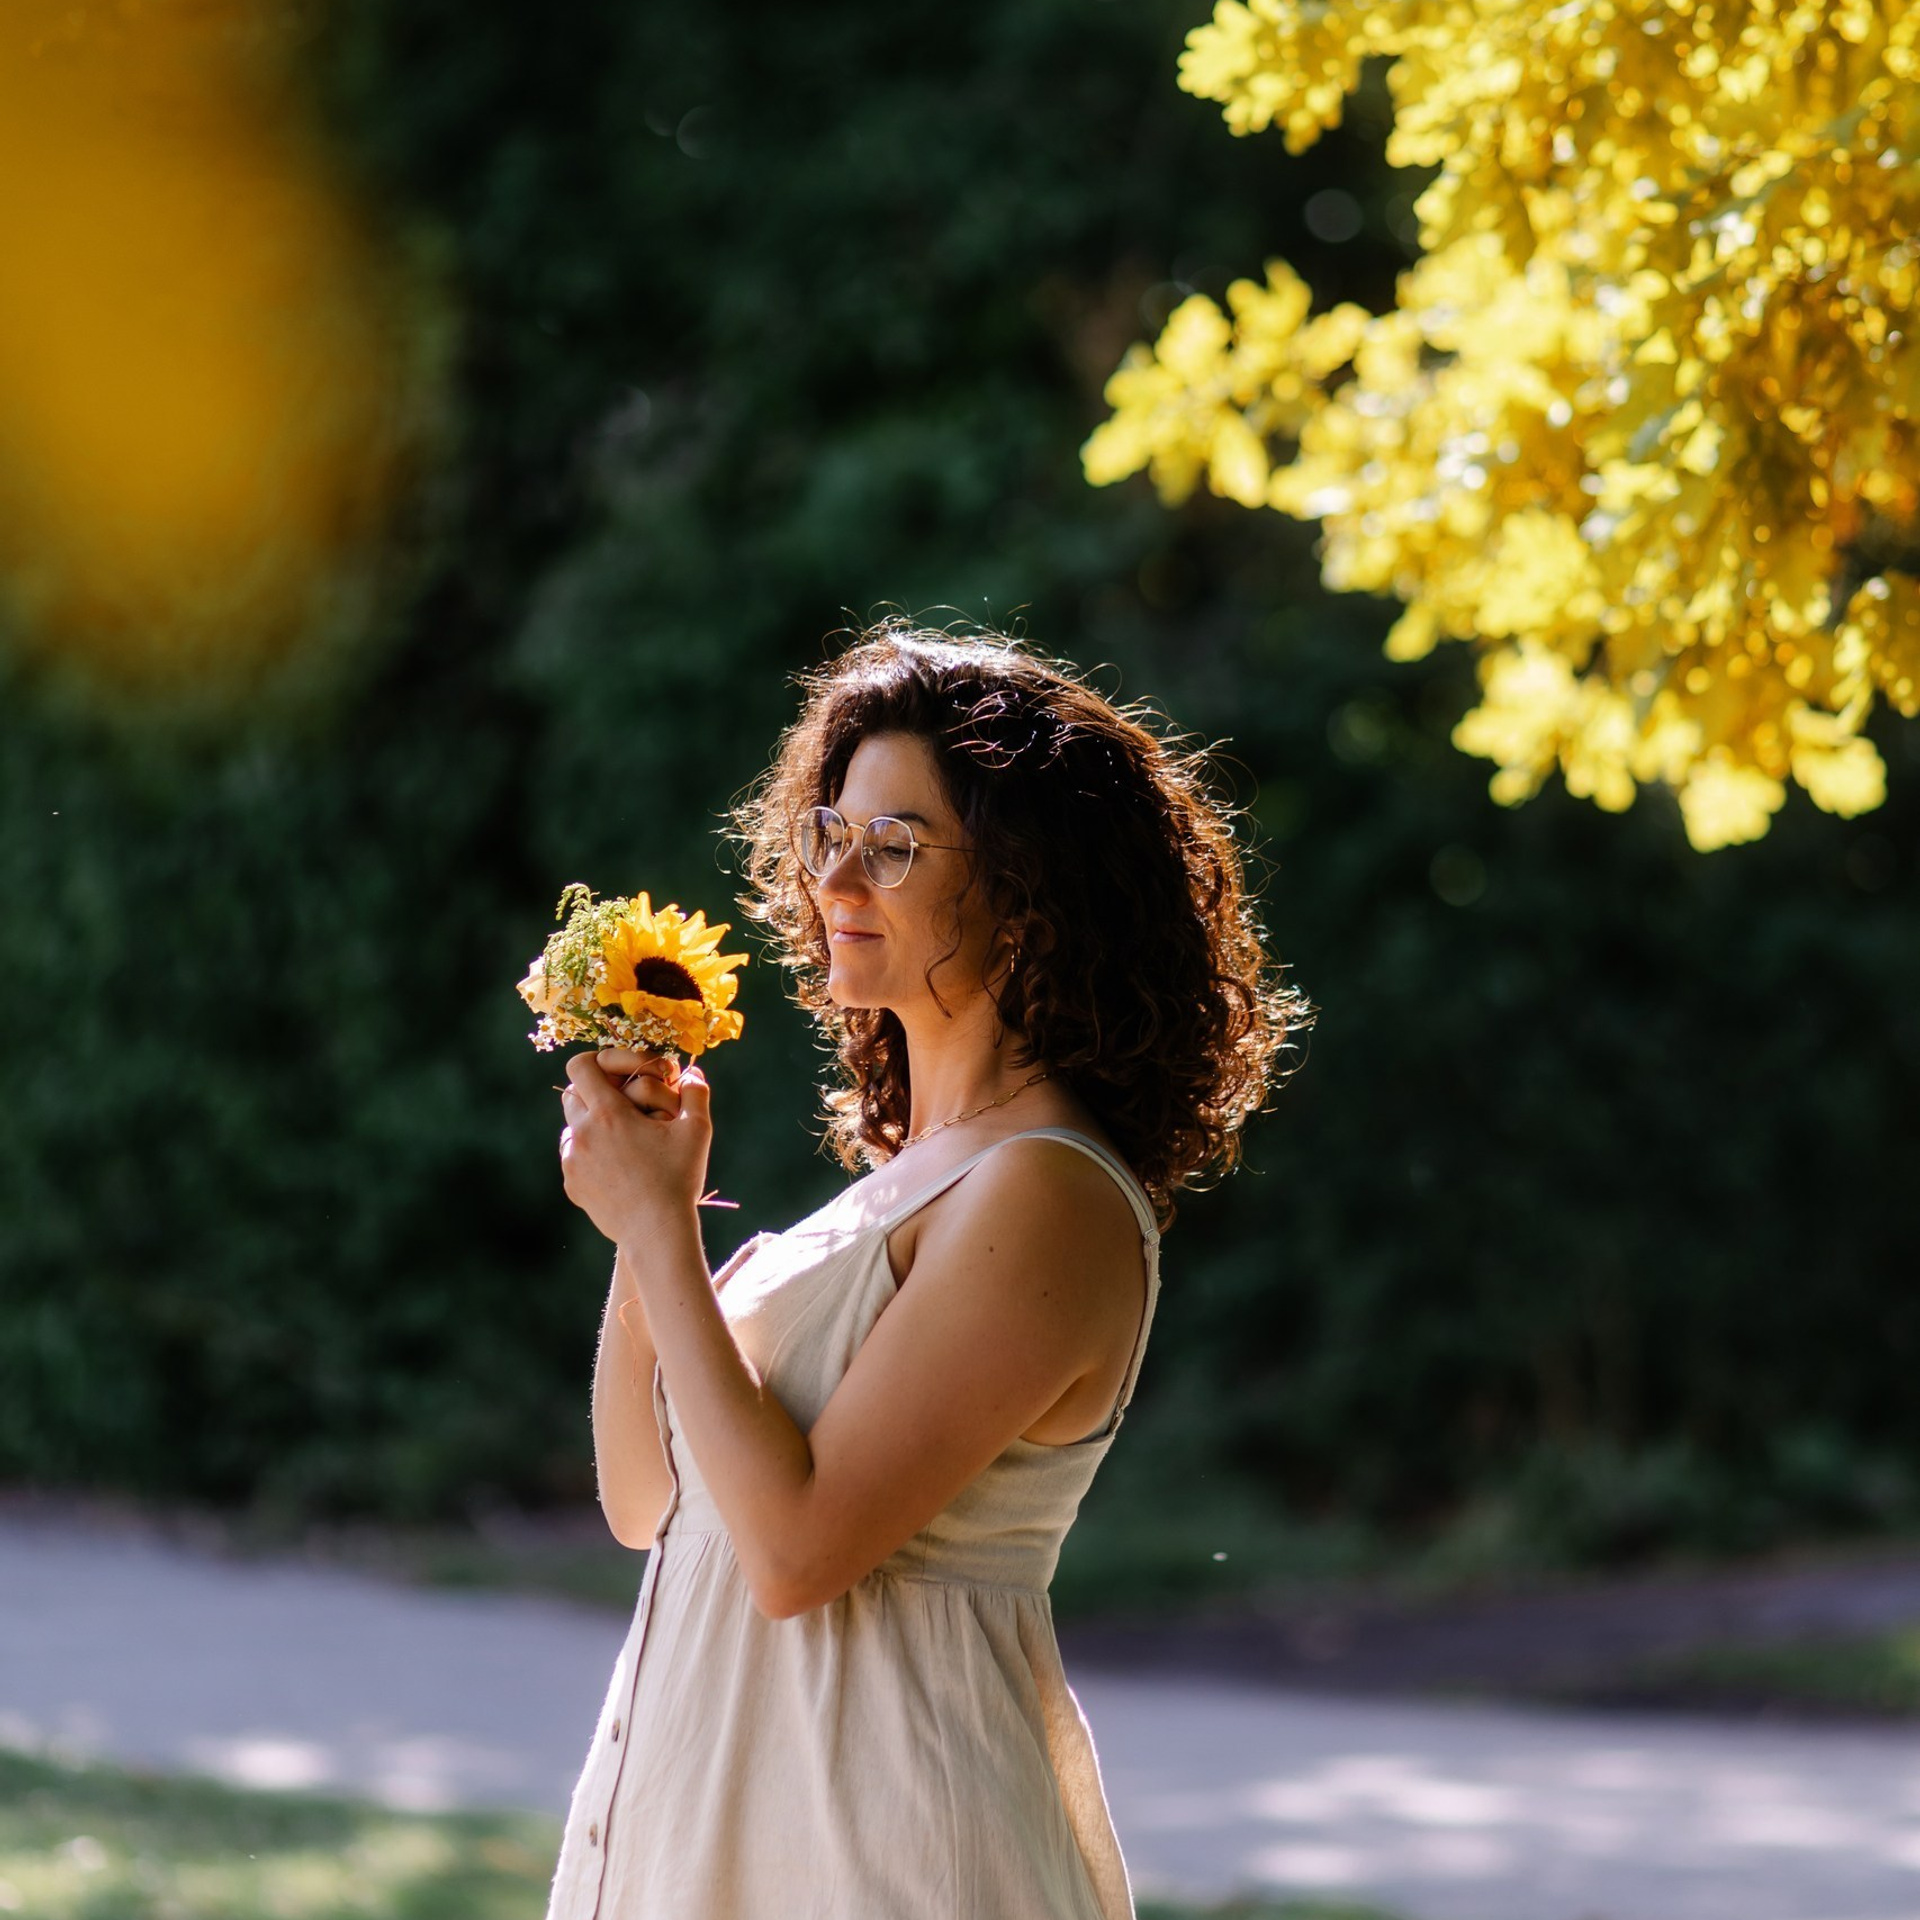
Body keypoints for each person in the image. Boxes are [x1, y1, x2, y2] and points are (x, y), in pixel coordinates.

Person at [543, 622, 1306, 1919]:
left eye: (892, 846)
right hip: (734, 1832)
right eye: (827, 835)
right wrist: (645, 1216)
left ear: (1027, 890)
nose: (840, 877)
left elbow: (791, 1556)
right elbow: (647, 1501)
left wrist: (668, 1235)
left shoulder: (1046, 1191)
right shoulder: (901, 1182)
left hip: (891, 1855)